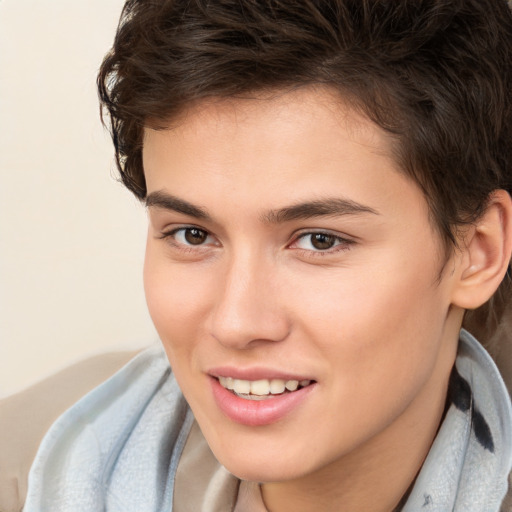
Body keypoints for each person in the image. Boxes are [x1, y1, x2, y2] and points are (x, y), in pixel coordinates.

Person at [19, 0, 512, 510]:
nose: (236, 323)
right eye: (191, 234)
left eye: (319, 240)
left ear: (478, 252)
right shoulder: (29, 470)